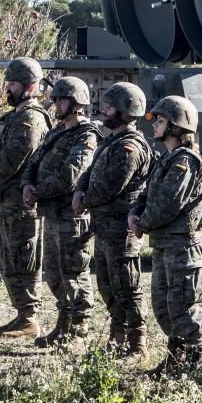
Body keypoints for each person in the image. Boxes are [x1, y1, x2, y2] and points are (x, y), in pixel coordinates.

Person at [73, 82, 153, 362]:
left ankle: (137, 344)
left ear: (126, 110)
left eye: (109, 106)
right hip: (104, 227)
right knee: (107, 285)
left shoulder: (130, 146)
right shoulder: (111, 141)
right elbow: (89, 171)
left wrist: (84, 199)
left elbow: (111, 186)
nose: (103, 110)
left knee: (127, 286)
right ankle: (117, 338)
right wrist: (81, 189)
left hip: (121, 229)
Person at [128, 95, 202, 373]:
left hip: (183, 246)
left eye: (161, 121)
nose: (155, 126)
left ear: (177, 127)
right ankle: (176, 360)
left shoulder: (186, 162)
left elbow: (167, 202)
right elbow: (147, 194)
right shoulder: (166, 159)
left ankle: (194, 365)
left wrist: (142, 222)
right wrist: (136, 213)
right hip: (165, 244)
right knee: (164, 306)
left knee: (184, 305)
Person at [21, 76, 100, 348]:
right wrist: (27, 185)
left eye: (61, 99)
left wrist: (37, 191)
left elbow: (71, 175)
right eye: (55, 99)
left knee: (74, 273)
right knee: (54, 274)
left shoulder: (87, 135)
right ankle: (63, 326)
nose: (56, 103)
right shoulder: (57, 131)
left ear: (77, 103)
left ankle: (78, 331)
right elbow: (34, 161)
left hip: (72, 216)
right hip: (52, 213)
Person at [0, 57, 52, 339]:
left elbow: (11, 160)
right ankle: (22, 316)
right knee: (9, 261)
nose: (7, 89)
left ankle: (30, 318)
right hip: (5, 202)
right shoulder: (12, 117)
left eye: (12, 84)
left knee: (23, 259)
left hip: (21, 205)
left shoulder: (31, 118)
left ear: (29, 86)